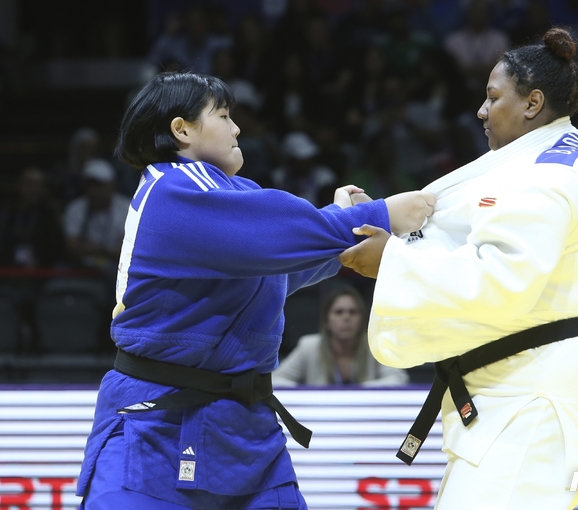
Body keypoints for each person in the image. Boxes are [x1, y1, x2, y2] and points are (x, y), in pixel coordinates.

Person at [75, 71, 435, 510]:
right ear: (181, 129)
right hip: (157, 422)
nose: (237, 128)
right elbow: (278, 235)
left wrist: (345, 235)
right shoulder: (173, 188)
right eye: (223, 116)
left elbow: (277, 269)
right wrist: (380, 213)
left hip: (244, 427)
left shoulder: (230, 192)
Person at [340, 28, 578, 509]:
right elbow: (468, 233)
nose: (481, 110)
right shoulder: (558, 158)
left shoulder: (544, 178)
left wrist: (391, 259)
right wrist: (384, 224)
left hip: (533, 401)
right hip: (528, 395)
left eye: (493, 97)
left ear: (533, 103)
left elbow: (497, 282)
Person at [273, 285, 409, 386]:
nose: (346, 318)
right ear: (327, 320)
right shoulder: (309, 346)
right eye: (339, 312)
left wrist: (358, 391)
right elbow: (275, 380)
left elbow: (399, 380)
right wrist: (309, 392)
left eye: (353, 312)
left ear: (362, 319)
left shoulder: (376, 345)